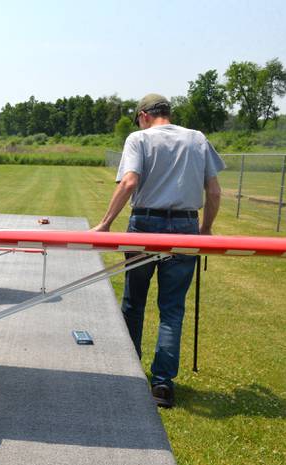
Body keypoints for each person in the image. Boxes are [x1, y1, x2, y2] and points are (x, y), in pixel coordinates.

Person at [92, 93, 225, 408]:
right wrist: (204, 231)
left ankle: (128, 370)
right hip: (186, 227)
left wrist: (105, 223)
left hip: (145, 225)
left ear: (143, 115)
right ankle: (162, 385)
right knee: (172, 309)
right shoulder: (198, 139)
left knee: (133, 303)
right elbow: (215, 190)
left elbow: (128, 183)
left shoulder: (139, 139)